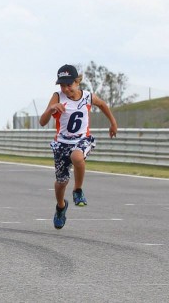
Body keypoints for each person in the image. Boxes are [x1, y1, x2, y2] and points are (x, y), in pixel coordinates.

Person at [38, 64, 118, 230]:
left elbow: (102, 104)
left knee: (77, 156)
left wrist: (113, 123)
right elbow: (43, 121)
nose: (66, 89)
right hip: (62, 143)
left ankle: (78, 190)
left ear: (77, 82)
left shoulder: (87, 97)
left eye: (69, 85)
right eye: (62, 85)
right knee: (61, 182)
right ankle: (61, 207)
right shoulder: (58, 97)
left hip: (82, 139)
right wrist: (51, 109)